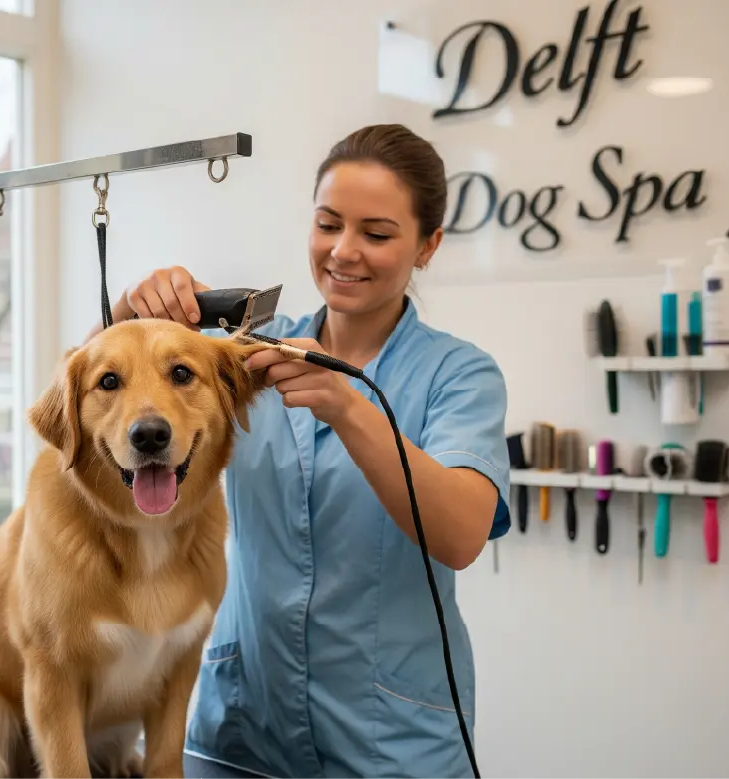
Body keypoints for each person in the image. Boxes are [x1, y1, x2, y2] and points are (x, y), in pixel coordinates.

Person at [87, 124, 511, 779]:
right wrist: (127, 317)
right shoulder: (239, 355)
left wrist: (346, 405)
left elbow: (460, 534)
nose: (344, 251)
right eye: (327, 223)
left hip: (395, 749)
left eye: (376, 233)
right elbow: (94, 429)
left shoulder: (460, 374)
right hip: (239, 736)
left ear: (428, 246)